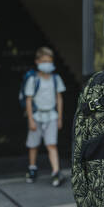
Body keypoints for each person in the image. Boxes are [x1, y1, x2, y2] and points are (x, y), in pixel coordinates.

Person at [25, 47, 66, 187]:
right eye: (43, 61)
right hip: (36, 116)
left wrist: (60, 117)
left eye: (49, 61)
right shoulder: (33, 79)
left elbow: (59, 98)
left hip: (51, 116)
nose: (46, 64)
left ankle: (56, 171)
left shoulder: (56, 79)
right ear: (37, 62)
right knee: (33, 144)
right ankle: (32, 168)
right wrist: (30, 119)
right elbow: (28, 100)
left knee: (52, 144)